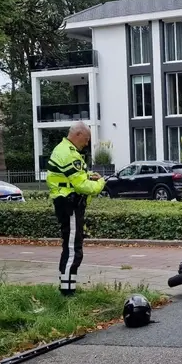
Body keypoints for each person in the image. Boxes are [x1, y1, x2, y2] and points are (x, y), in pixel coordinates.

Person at [46, 122, 105, 296]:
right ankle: (67, 293)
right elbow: (81, 186)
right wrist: (100, 183)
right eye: (86, 140)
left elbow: (72, 177)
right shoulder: (69, 154)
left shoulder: (64, 149)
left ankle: (67, 286)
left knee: (71, 246)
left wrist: (88, 176)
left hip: (66, 202)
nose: (86, 144)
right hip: (70, 204)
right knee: (73, 248)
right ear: (78, 135)